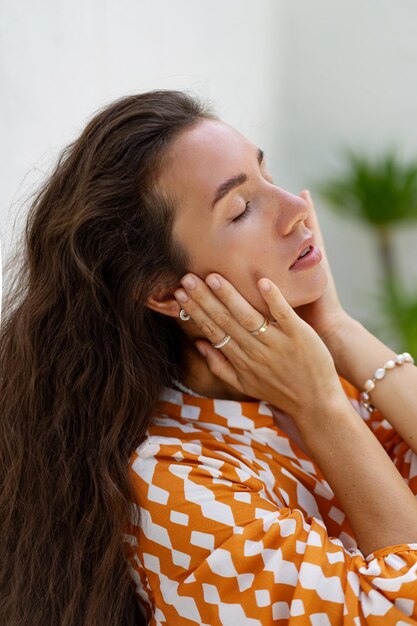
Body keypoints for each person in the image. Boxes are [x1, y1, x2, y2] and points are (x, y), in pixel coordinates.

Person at [1, 91, 417, 626]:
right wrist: (321, 408)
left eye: (268, 175)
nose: (296, 209)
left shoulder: (313, 368)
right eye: (241, 208)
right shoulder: (173, 487)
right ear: (166, 291)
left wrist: (341, 332)